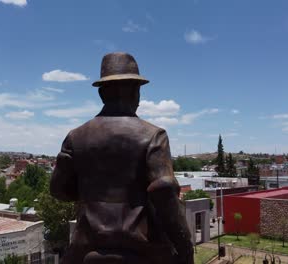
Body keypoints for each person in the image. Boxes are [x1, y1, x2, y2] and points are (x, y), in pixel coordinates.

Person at [51, 52, 193, 264]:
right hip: (143, 252)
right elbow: (163, 191)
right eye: (137, 90)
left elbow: (59, 191)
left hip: (85, 250)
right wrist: (185, 248)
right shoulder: (154, 136)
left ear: (101, 94)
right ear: (134, 92)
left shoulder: (75, 137)